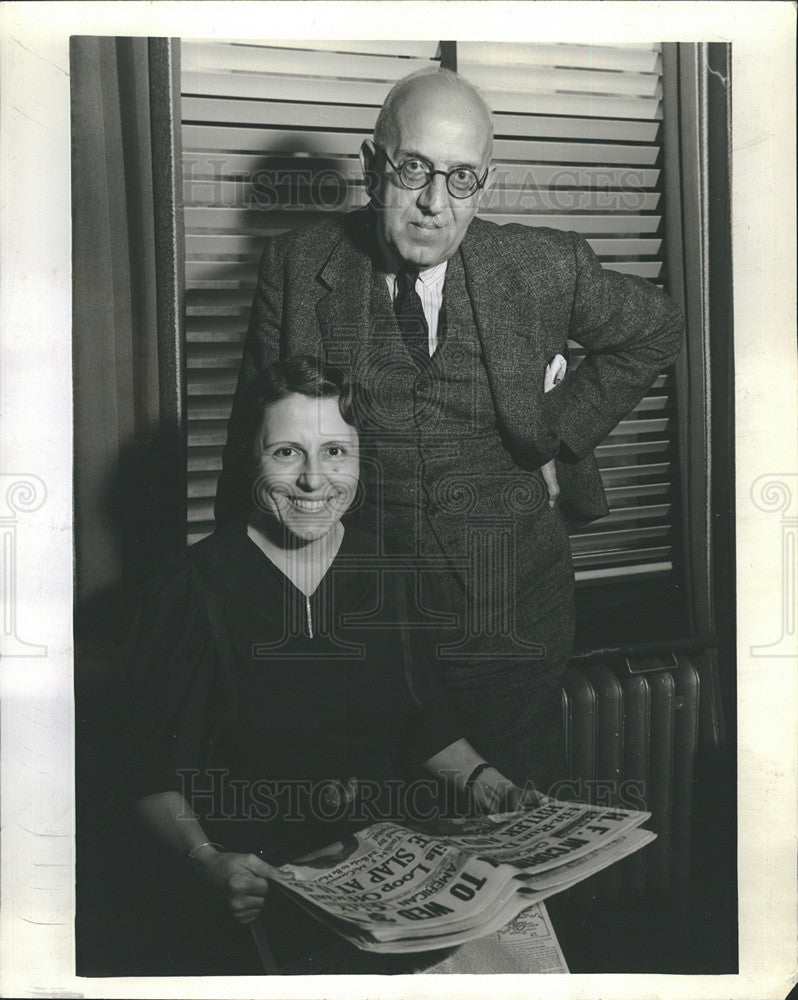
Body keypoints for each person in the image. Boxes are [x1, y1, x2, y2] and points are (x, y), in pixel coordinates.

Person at [215, 67, 684, 794]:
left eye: (461, 178)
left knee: (515, 834)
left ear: (485, 184)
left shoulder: (542, 266)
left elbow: (657, 329)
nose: (436, 203)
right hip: (362, 635)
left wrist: (560, 432)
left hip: (510, 626)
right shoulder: (298, 265)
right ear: (374, 169)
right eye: (414, 170)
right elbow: (255, 446)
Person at [122, 356, 533, 974]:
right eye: (287, 453)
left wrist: (488, 785)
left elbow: (426, 723)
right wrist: (207, 862)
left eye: (336, 452)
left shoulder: (391, 571)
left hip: (387, 863)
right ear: (248, 457)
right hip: (256, 878)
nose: (316, 481)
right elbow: (146, 773)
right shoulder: (190, 585)